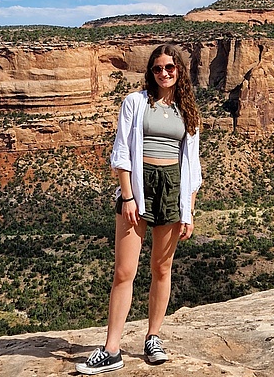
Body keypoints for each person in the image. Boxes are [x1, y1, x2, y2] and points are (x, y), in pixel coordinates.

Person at [76, 44, 202, 375]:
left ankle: (153, 337)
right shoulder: (135, 102)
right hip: (139, 188)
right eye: (158, 68)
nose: (164, 73)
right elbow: (122, 153)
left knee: (162, 269)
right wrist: (129, 197)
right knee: (124, 271)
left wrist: (188, 210)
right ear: (150, 72)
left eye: (170, 68)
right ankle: (112, 349)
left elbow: (192, 166)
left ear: (179, 71)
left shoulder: (187, 112)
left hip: (172, 189)